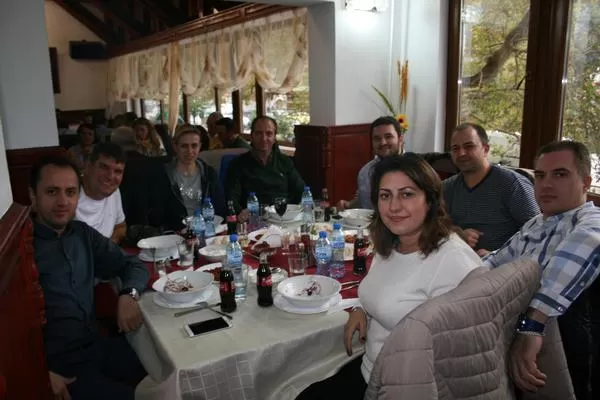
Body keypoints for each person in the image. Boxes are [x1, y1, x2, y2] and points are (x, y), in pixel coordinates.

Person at [297, 153, 480, 399]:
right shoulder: (393, 242)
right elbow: (385, 289)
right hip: (370, 369)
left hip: (401, 387)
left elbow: (464, 353)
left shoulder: (453, 260)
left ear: (430, 200)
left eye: (407, 194)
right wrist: (361, 308)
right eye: (385, 195)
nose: (394, 207)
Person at [482, 140, 600, 400]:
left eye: (560, 174)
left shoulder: (591, 222)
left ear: (585, 182)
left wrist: (531, 327)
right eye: (540, 175)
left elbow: (578, 253)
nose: (546, 185)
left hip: (567, 352)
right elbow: (495, 262)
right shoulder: (536, 223)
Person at [30, 156, 149, 400]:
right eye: (52, 192)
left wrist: (129, 294)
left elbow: (133, 264)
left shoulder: (82, 234)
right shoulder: (21, 251)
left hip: (96, 347)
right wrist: (39, 374)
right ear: (33, 196)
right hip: (59, 370)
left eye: (71, 192)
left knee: (162, 363)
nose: (63, 202)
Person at [444, 123, 539, 254]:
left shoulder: (512, 184)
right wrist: (456, 234)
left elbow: (537, 232)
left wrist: (496, 255)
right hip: (456, 259)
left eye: (469, 146)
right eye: (455, 148)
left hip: (503, 262)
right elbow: (432, 227)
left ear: (485, 149)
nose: (461, 153)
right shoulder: (446, 187)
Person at [225, 116, 305, 218]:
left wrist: (291, 210)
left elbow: (301, 192)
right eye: (259, 133)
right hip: (253, 219)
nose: (263, 138)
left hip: (282, 217)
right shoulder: (237, 164)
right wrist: (240, 213)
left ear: (274, 137)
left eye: (269, 134)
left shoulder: (285, 162)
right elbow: (232, 200)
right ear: (252, 136)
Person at [150, 124, 225, 231]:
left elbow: (220, 208)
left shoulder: (209, 173)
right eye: (184, 146)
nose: (189, 151)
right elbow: (157, 214)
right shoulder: (163, 175)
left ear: (200, 146)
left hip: (207, 231)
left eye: (194, 146)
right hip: (175, 232)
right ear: (175, 147)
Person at [337, 116, 404, 211]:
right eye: (377, 138)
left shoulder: (415, 169)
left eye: (388, 136)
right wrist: (348, 204)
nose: (383, 142)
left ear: (400, 139)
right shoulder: (366, 172)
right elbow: (363, 200)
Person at [75, 143, 127, 243]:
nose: (110, 177)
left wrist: (107, 247)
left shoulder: (114, 192)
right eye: (104, 167)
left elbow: (120, 227)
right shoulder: (69, 195)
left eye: (118, 171)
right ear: (88, 166)